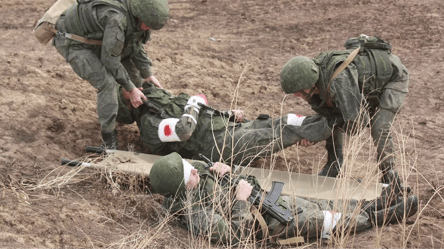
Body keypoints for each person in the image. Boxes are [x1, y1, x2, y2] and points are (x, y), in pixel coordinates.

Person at [149, 152, 418, 245]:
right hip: (271, 227)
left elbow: (246, 184)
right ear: (181, 188)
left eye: (188, 165)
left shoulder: (197, 174)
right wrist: (242, 201)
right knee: (323, 220)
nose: (194, 169)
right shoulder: (197, 214)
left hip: (269, 202)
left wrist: (231, 173)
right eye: (189, 173)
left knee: (322, 203)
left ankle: (378, 201)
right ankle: (379, 217)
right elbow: (235, 237)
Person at [280, 35, 409, 185]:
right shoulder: (315, 78)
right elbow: (328, 116)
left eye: (297, 90)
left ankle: (390, 175)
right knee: (334, 117)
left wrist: (320, 133)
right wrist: (312, 135)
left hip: (393, 78)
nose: (296, 95)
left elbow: (357, 123)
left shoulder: (339, 82)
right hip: (363, 84)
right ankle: (334, 165)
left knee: (379, 127)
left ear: (309, 83)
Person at [116, 82, 336, 166]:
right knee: (288, 127)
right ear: (129, 104)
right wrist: (194, 102)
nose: (137, 85)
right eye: (130, 88)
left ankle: (330, 122)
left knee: (289, 121)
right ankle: (338, 122)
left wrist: (228, 114)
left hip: (227, 131)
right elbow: (183, 131)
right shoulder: (149, 125)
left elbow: (197, 118)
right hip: (219, 147)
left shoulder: (160, 105)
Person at [52, 0, 169, 149]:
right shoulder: (117, 19)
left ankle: (121, 111)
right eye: (148, 25)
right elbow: (110, 61)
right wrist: (130, 88)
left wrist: (148, 74)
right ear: (140, 16)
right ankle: (108, 140)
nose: (148, 28)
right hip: (73, 41)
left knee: (136, 81)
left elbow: (134, 45)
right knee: (106, 82)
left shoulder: (139, 16)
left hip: (98, 39)